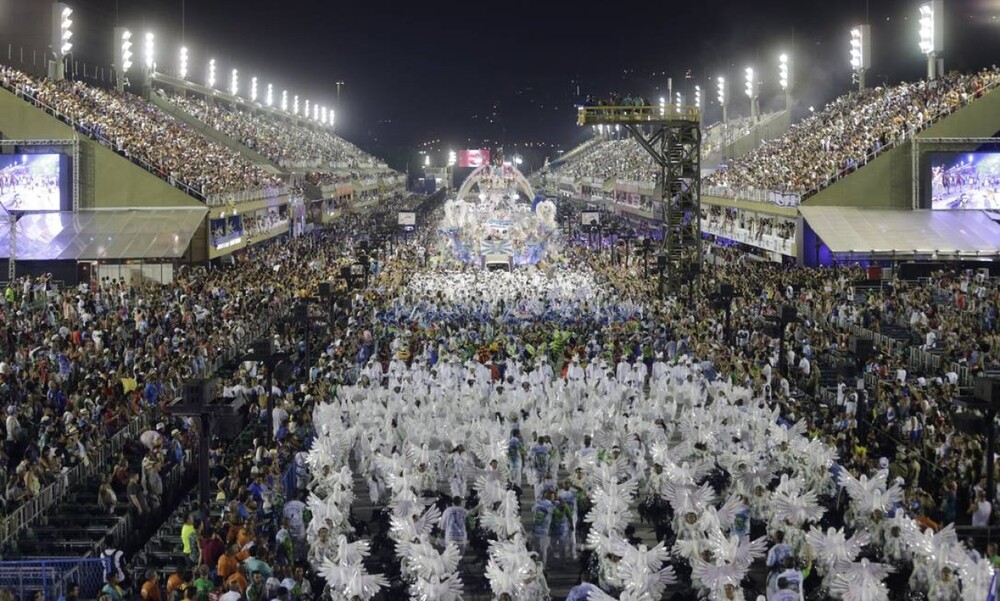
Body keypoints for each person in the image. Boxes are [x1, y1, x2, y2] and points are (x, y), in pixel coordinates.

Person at [531, 489, 556, 566]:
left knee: (535, 549)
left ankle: (533, 565)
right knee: (544, 550)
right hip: (544, 532)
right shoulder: (551, 506)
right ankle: (543, 566)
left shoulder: (537, 504)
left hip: (535, 530)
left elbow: (532, 510)